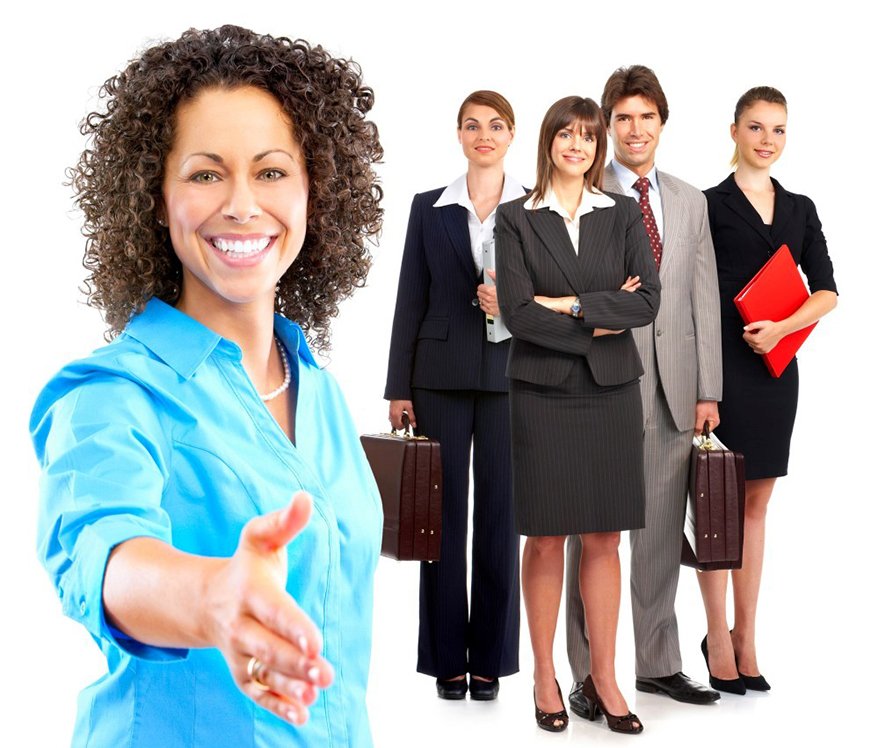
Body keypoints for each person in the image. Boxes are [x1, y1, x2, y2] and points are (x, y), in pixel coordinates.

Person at [30, 26, 384, 747]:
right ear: (156, 200)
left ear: (316, 190)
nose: (243, 205)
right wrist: (213, 601)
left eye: (272, 171)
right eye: (205, 173)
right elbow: (110, 556)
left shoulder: (319, 390)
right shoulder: (109, 394)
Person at [495, 96, 660, 734]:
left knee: (604, 537)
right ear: (549, 142)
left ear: (597, 149)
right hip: (541, 392)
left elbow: (646, 298)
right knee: (544, 537)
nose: (578, 147)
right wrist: (595, 315)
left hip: (612, 392)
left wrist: (566, 304)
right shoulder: (515, 218)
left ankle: (605, 677)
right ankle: (544, 676)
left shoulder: (618, 214)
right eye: (566, 135)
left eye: (588, 138)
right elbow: (515, 311)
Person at [565, 65, 723, 711]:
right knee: (589, 533)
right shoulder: (577, 192)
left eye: (645, 117)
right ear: (607, 125)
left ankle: (658, 663)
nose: (634, 129)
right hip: (596, 385)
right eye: (622, 118)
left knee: (659, 535)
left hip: (672, 389)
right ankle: (586, 674)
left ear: (662, 123)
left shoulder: (690, 201)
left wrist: (707, 389)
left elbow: (702, 299)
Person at [384, 91, 523, 701]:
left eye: (495, 125)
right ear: (458, 134)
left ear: (512, 135)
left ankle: (490, 657)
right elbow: (410, 296)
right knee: (439, 524)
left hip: (513, 377)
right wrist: (397, 385)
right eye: (473, 125)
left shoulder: (534, 209)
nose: (483, 134)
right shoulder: (428, 208)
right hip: (437, 377)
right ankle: (446, 657)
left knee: (500, 519)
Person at [699, 86, 838, 693]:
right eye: (755, 127)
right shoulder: (707, 204)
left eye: (778, 130)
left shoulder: (801, 208)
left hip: (776, 368)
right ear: (733, 132)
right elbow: (691, 295)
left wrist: (782, 326)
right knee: (715, 509)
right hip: (720, 371)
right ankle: (715, 636)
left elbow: (827, 290)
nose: (766, 140)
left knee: (755, 508)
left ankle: (747, 635)